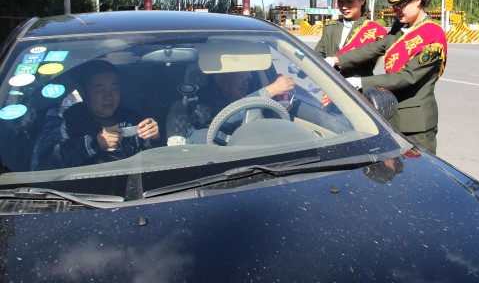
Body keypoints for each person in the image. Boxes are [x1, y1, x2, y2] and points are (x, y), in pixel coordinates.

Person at [325, 0, 447, 154]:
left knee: (419, 168)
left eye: (399, 5)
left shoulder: (432, 35)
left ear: (417, 0)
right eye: (393, 6)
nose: (395, 10)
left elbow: (408, 77)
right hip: (391, 115)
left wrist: (360, 82)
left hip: (416, 124)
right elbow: (376, 47)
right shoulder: (400, 27)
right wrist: (336, 60)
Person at [31, 60, 160, 170]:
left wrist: (155, 139)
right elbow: (46, 161)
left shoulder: (132, 119)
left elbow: (154, 162)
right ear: (83, 92)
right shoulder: (65, 121)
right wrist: (93, 144)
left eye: (114, 89)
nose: (108, 96)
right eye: (100, 90)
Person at [184, 71, 295, 144]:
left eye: (247, 77)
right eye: (240, 77)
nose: (245, 83)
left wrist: (276, 116)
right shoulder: (203, 102)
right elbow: (224, 117)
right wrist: (270, 91)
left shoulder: (239, 98)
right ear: (220, 79)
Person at [314, 0, 387, 78]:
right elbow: (318, 55)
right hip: (332, 85)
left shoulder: (374, 30)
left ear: (362, 0)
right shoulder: (330, 28)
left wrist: (335, 61)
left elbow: (364, 56)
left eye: (349, 2)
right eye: (341, 2)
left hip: (358, 86)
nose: (344, 7)